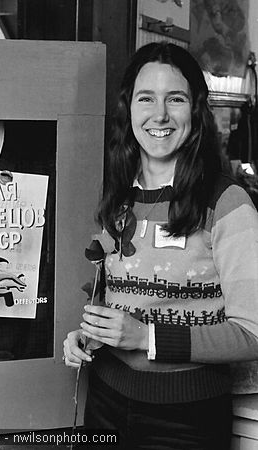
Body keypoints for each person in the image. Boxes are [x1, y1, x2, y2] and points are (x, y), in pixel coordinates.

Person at [63, 41, 258, 450]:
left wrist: (146, 337)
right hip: (105, 401)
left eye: (176, 98)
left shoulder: (228, 204)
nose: (160, 115)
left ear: (196, 110)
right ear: (129, 108)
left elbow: (252, 334)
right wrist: (91, 335)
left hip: (188, 418)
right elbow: (119, 298)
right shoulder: (118, 196)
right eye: (145, 98)